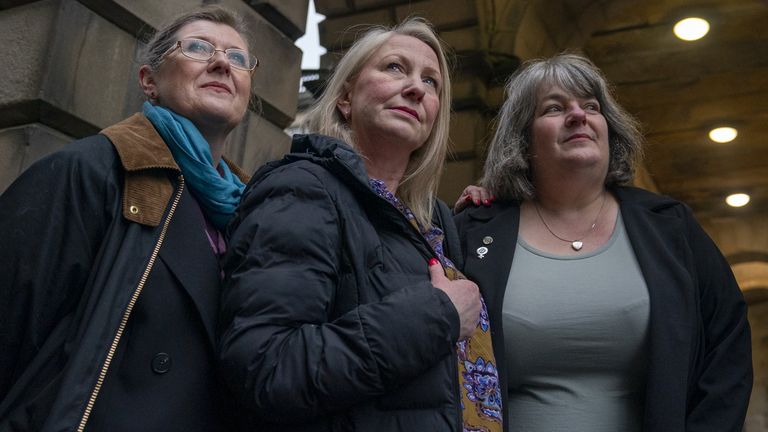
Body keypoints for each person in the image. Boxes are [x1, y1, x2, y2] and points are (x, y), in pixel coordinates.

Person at [219, 17, 502, 431]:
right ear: (346, 98)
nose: (415, 88)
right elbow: (266, 367)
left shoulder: (436, 222)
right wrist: (435, 317)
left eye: (431, 82)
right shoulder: (301, 188)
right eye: (394, 68)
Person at [453, 53, 752, 431]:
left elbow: (727, 344)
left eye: (591, 106)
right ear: (523, 140)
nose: (578, 115)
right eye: (554, 108)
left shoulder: (669, 226)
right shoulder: (477, 231)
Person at [0, 6, 257, 431]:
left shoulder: (253, 216)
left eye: (237, 57)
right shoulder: (90, 170)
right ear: (149, 81)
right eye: (198, 47)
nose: (220, 63)